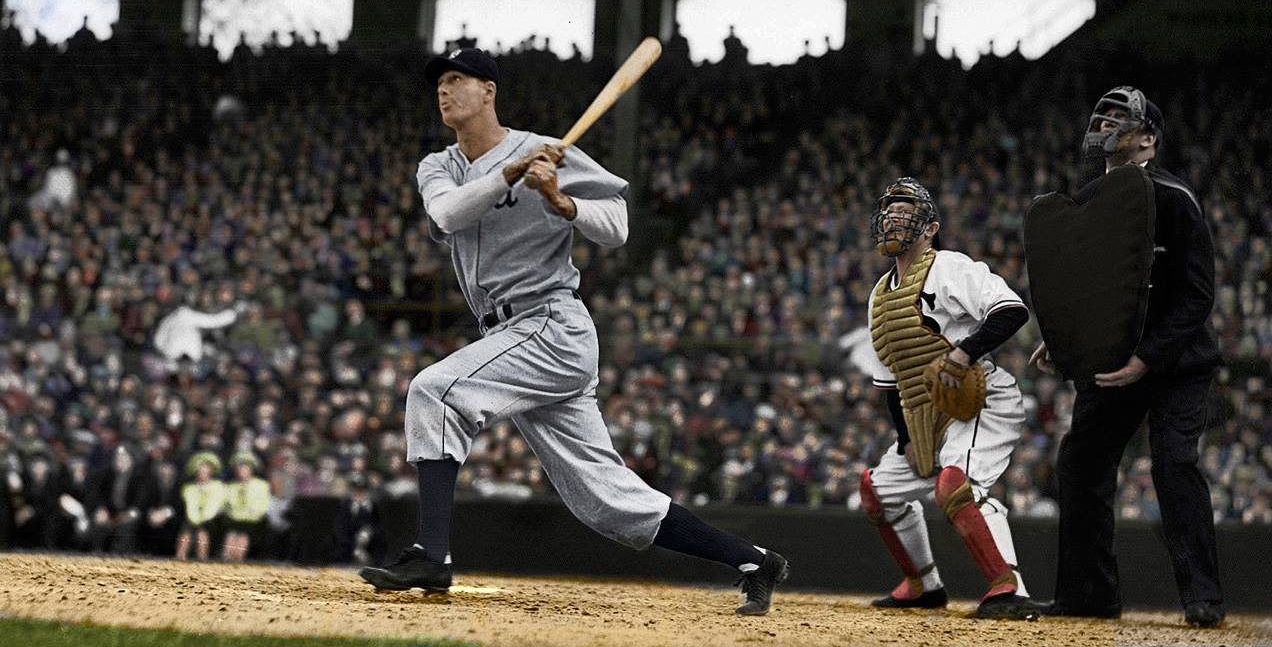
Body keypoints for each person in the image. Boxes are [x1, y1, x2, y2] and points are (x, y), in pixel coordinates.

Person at [358, 47, 788, 615]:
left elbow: (616, 227)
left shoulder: (548, 152)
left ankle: (431, 556)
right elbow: (448, 214)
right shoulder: (439, 167)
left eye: (457, 79)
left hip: (549, 323)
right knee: (607, 503)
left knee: (435, 391)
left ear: (488, 91)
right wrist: (508, 175)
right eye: (439, 81)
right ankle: (755, 560)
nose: (443, 90)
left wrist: (562, 201)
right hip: (509, 336)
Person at [1031, 86, 1224, 627]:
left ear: (1148, 139)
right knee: (1081, 460)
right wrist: (1067, 335)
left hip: (1178, 364)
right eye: (1102, 115)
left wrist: (1149, 358)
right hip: (1114, 359)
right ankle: (1087, 595)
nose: (1107, 124)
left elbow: (1196, 296)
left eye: (1121, 118)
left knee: (1174, 464)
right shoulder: (1090, 196)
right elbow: (1091, 288)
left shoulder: (1174, 198)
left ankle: (1202, 597)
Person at [859, 177, 1040, 619]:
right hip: (924, 410)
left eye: (906, 212)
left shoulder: (950, 267)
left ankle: (1008, 589)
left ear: (930, 227)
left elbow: (1011, 310)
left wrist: (962, 353)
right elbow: (889, 382)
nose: (894, 219)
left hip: (980, 399)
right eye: (890, 211)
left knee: (955, 486)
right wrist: (905, 438)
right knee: (877, 490)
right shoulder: (879, 296)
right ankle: (923, 585)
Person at [176, 451, 225, 562]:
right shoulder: (189, 488)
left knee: (202, 532)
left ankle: (202, 559)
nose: (202, 472)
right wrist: (195, 519)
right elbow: (190, 506)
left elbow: (214, 506)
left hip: (212, 520)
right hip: (192, 519)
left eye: (205, 469)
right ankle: (179, 558)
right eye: (200, 469)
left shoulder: (218, 486)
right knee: (186, 532)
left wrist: (203, 518)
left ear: (211, 471)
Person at [221, 452, 270, 562]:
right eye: (239, 468)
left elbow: (262, 506)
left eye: (245, 468)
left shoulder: (261, 485)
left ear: (251, 469)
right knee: (229, 543)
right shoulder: (230, 486)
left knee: (242, 540)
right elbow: (226, 504)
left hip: (251, 523)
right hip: (233, 522)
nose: (241, 471)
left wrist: (250, 514)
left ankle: (237, 562)